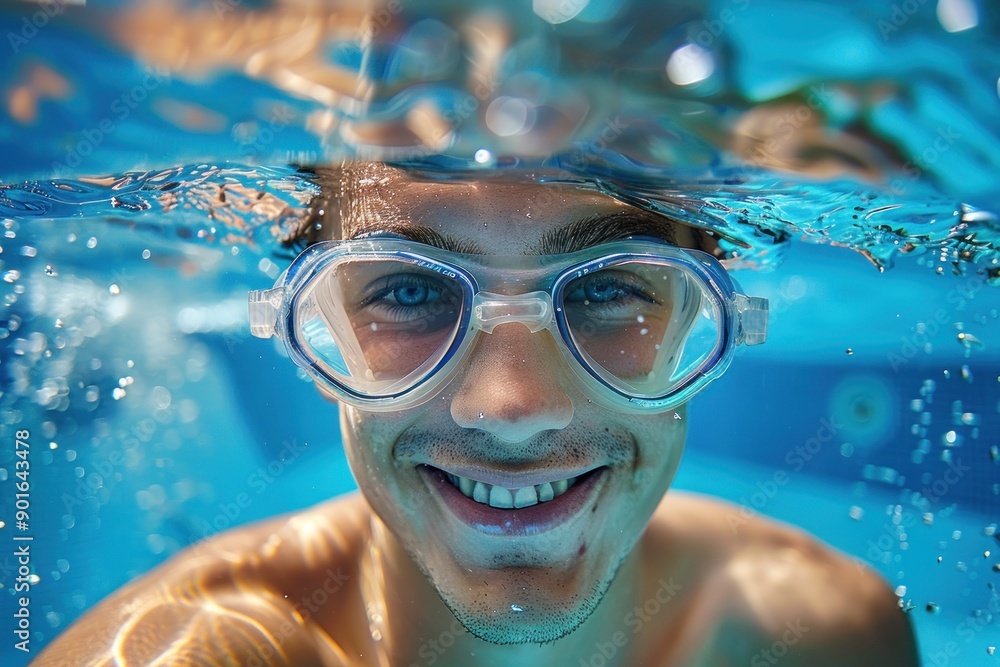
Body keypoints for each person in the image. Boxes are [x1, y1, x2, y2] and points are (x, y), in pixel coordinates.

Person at [33, 161, 919, 666]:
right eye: (409, 290)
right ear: (320, 337)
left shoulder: (823, 636)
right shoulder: (179, 653)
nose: (512, 410)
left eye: (610, 288)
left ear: (696, 327)